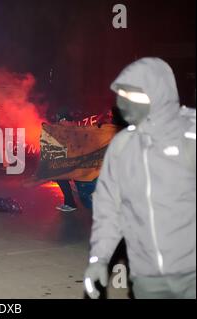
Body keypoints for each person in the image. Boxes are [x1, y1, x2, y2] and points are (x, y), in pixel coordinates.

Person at [84, 58, 196, 299]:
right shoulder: (122, 147)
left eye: (134, 94)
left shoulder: (191, 136)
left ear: (158, 94)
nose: (125, 101)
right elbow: (109, 209)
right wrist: (99, 258)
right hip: (146, 278)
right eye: (122, 93)